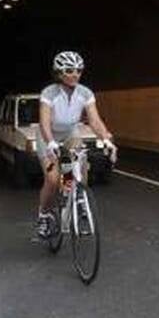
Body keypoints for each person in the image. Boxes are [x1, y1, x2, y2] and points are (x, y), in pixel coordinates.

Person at [33, 51, 117, 239]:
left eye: (79, 70)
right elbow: (44, 122)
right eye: (69, 70)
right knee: (53, 179)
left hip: (71, 133)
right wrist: (51, 143)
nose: (75, 74)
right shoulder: (49, 93)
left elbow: (95, 121)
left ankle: (77, 197)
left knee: (80, 162)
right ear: (59, 73)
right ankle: (44, 215)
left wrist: (106, 139)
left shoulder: (85, 93)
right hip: (48, 136)